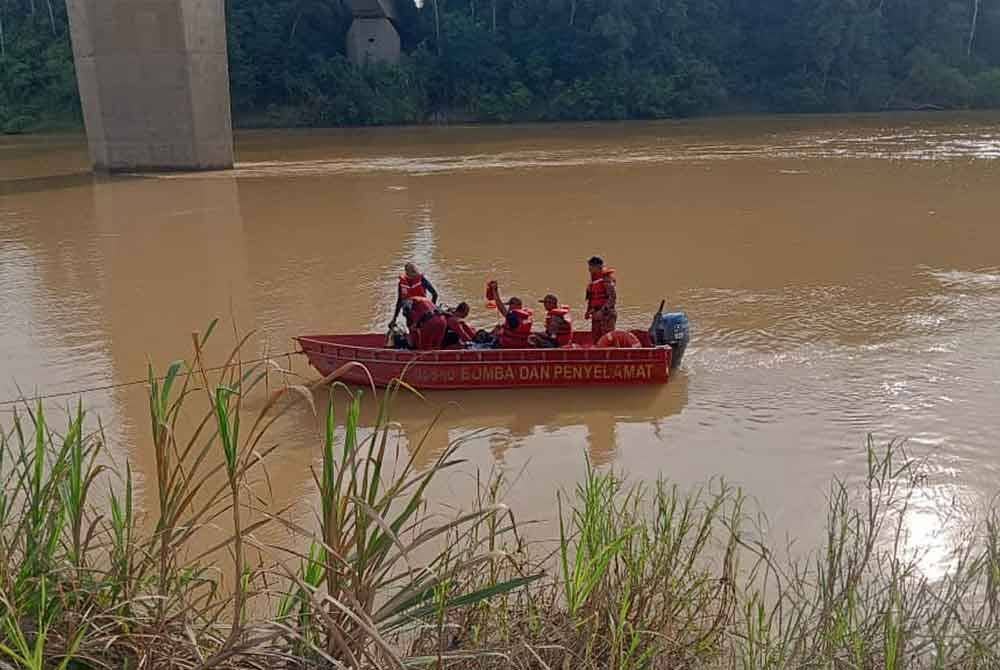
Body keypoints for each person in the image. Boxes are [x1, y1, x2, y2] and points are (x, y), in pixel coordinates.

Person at [391, 263, 438, 328]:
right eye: (413, 273)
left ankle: (412, 327)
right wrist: (394, 319)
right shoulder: (403, 283)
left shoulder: (421, 280)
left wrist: (432, 309)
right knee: (406, 305)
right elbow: (399, 301)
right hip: (416, 310)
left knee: (407, 306)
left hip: (417, 309)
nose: (415, 275)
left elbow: (435, 294)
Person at [488, 281, 533, 349]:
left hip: (508, 346)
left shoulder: (512, 316)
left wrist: (494, 290)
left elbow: (500, 305)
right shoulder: (525, 316)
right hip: (521, 344)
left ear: (517, 305)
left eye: (510, 304)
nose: (509, 307)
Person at [584, 256, 617, 342]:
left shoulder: (606, 279)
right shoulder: (593, 281)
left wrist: (602, 311)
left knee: (607, 339)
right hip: (595, 314)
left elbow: (612, 297)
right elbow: (591, 298)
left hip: (606, 314)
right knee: (596, 339)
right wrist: (588, 311)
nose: (589, 269)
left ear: (597, 267)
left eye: (590, 266)